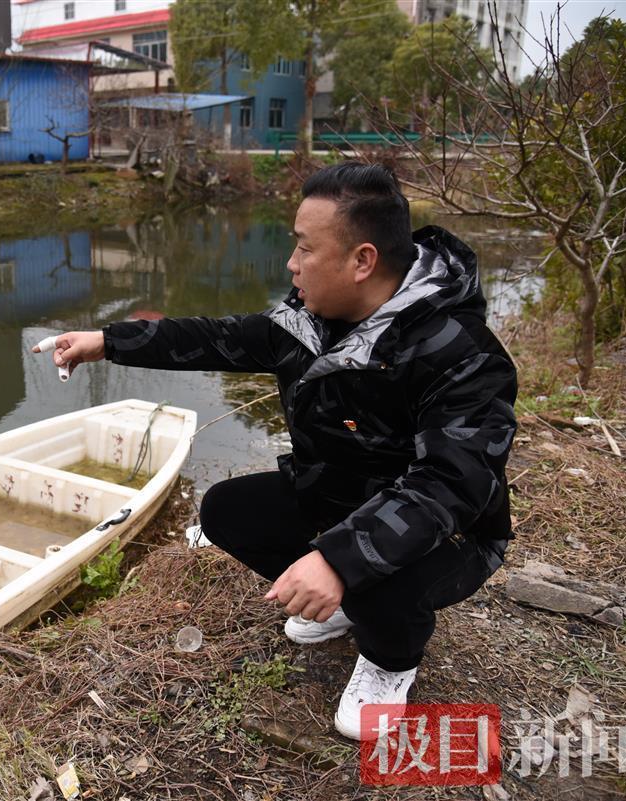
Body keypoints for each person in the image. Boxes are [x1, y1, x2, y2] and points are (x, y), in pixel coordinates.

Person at [32, 161, 517, 740]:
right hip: (338, 494)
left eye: (305, 249)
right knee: (226, 511)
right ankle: (345, 603)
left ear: (362, 261)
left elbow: (450, 484)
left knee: (385, 571)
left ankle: (392, 660)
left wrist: (340, 559)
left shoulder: (463, 354)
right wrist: (108, 342)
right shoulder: (309, 318)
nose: (292, 264)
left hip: (449, 534)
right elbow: (219, 337)